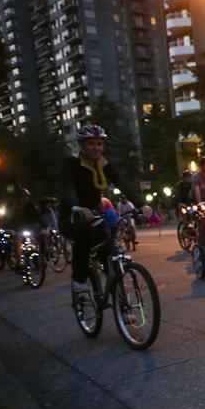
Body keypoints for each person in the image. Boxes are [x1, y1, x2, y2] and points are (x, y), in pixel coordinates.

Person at [59, 125, 151, 299]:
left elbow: (122, 183)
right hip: (72, 215)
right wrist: (76, 206)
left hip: (95, 213)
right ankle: (78, 280)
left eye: (100, 144)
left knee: (109, 246)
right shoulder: (72, 163)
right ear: (82, 145)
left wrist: (140, 204)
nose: (96, 148)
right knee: (85, 235)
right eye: (91, 144)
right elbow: (67, 187)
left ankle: (116, 291)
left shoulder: (104, 164)